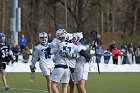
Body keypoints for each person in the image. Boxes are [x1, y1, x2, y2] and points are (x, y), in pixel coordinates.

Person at [50, 28, 70, 93]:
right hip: (67, 68)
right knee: (65, 87)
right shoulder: (69, 44)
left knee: (53, 85)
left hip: (59, 66)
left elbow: (50, 51)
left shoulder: (56, 41)